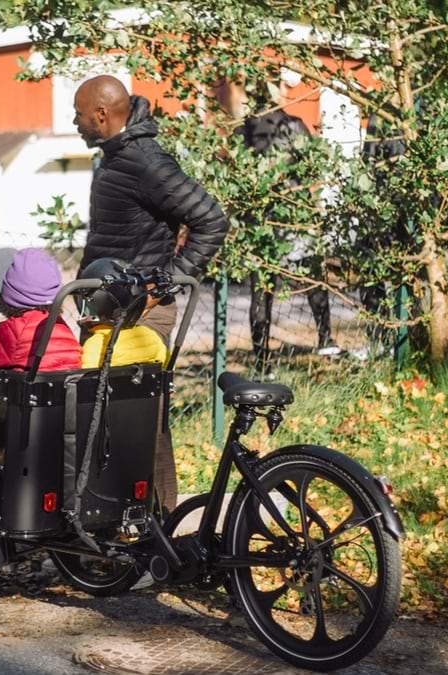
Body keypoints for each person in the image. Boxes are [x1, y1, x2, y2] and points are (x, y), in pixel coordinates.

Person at [73, 75, 230, 513]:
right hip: (109, 313)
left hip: (141, 316)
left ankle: (161, 528)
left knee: (145, 427)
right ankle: (114, 526)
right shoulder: (115, 157)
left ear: (101, 115)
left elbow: (211, 220)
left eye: (79, 115)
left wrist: (162, 286)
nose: (75, 123)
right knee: (105, 425)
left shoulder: (144, 160)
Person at [238, 76, 339, 371]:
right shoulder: (293, 126)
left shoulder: (244, 131)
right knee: (312, 277)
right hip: (294, 217)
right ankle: (325, 339)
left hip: (260, 221)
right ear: (276, 91)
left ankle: (262, 361)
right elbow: (312, 169)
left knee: (262, 290)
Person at [0, 248, 81, 374]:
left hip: (31, 387)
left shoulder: (15, 330)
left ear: (10, 295)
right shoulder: (61, 326)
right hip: (65, 386)